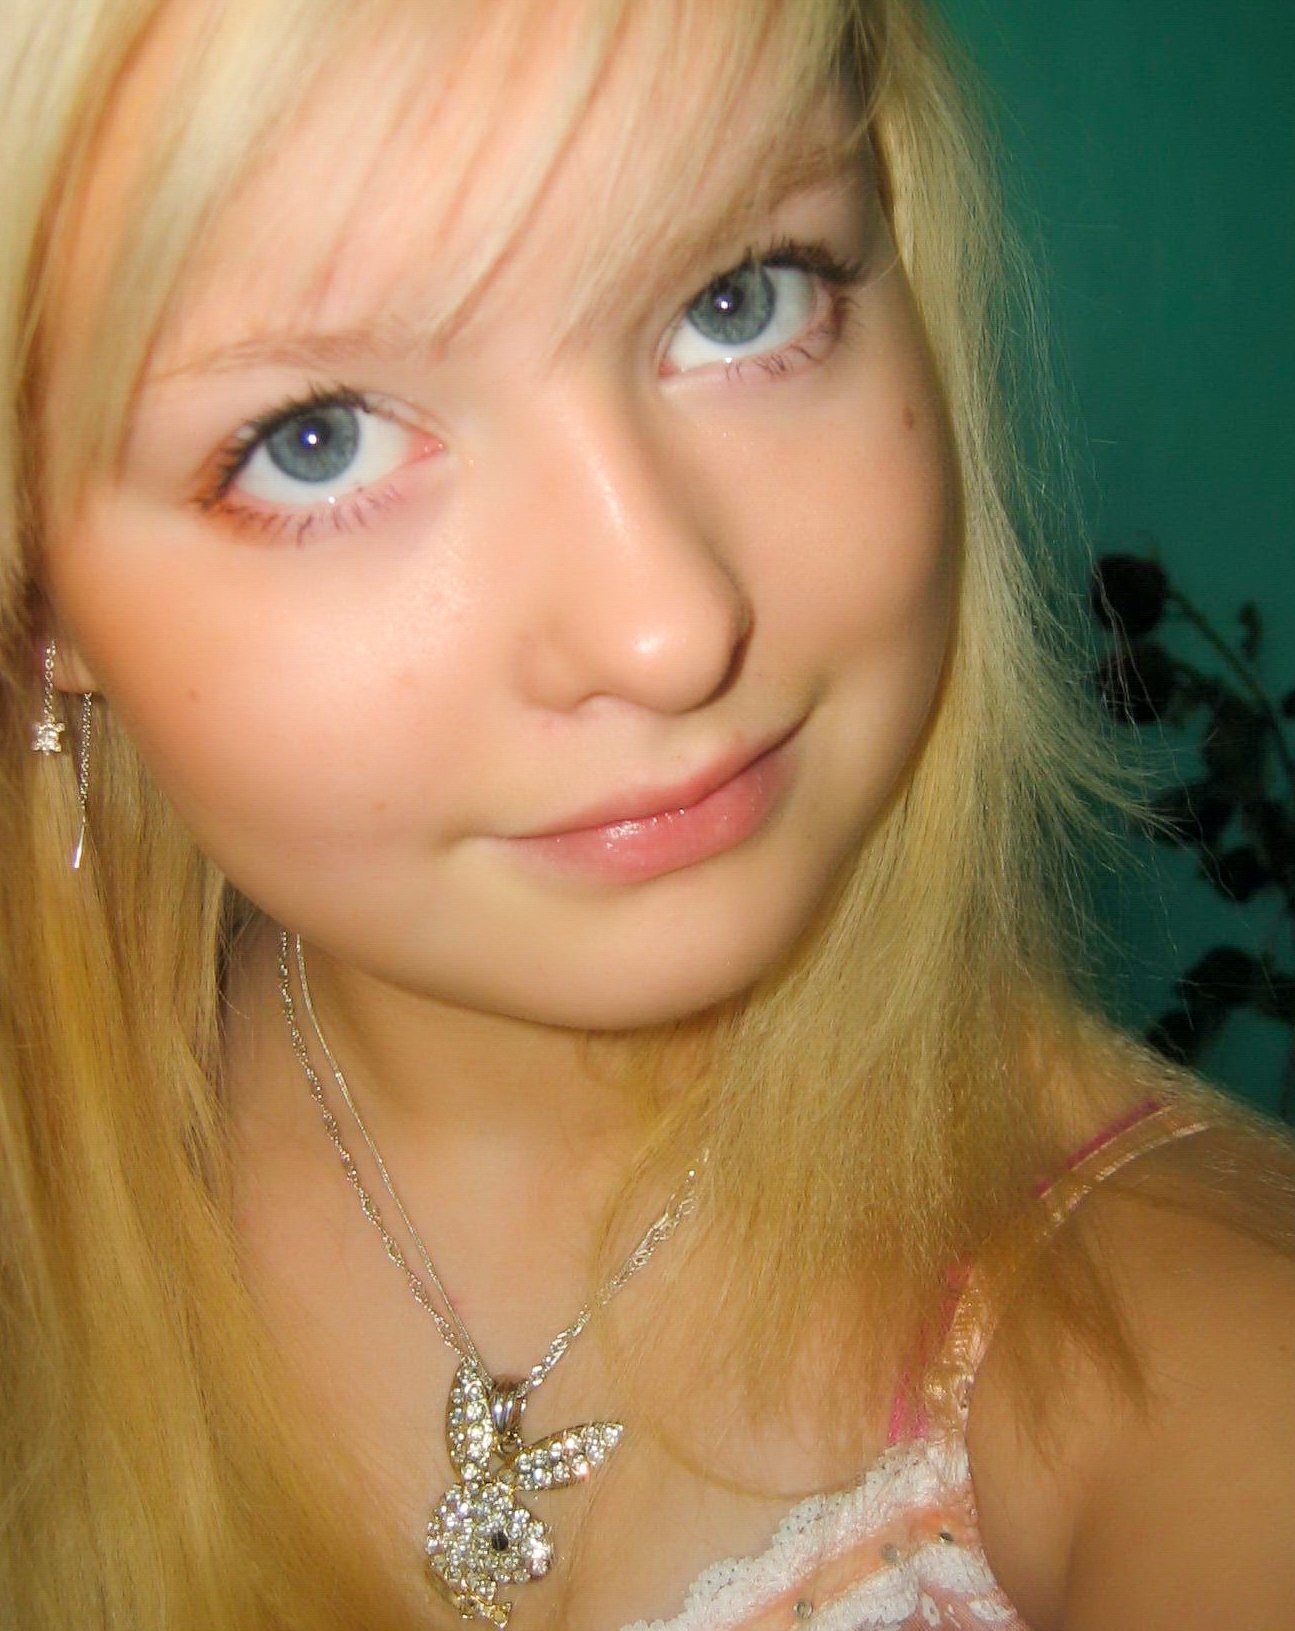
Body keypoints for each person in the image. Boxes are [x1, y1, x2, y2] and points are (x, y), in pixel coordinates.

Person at [2, 0, 1292, 1626]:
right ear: (35, 596)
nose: (667, 628)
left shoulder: (1203, 1358)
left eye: (742, 298)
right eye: (315, 441)